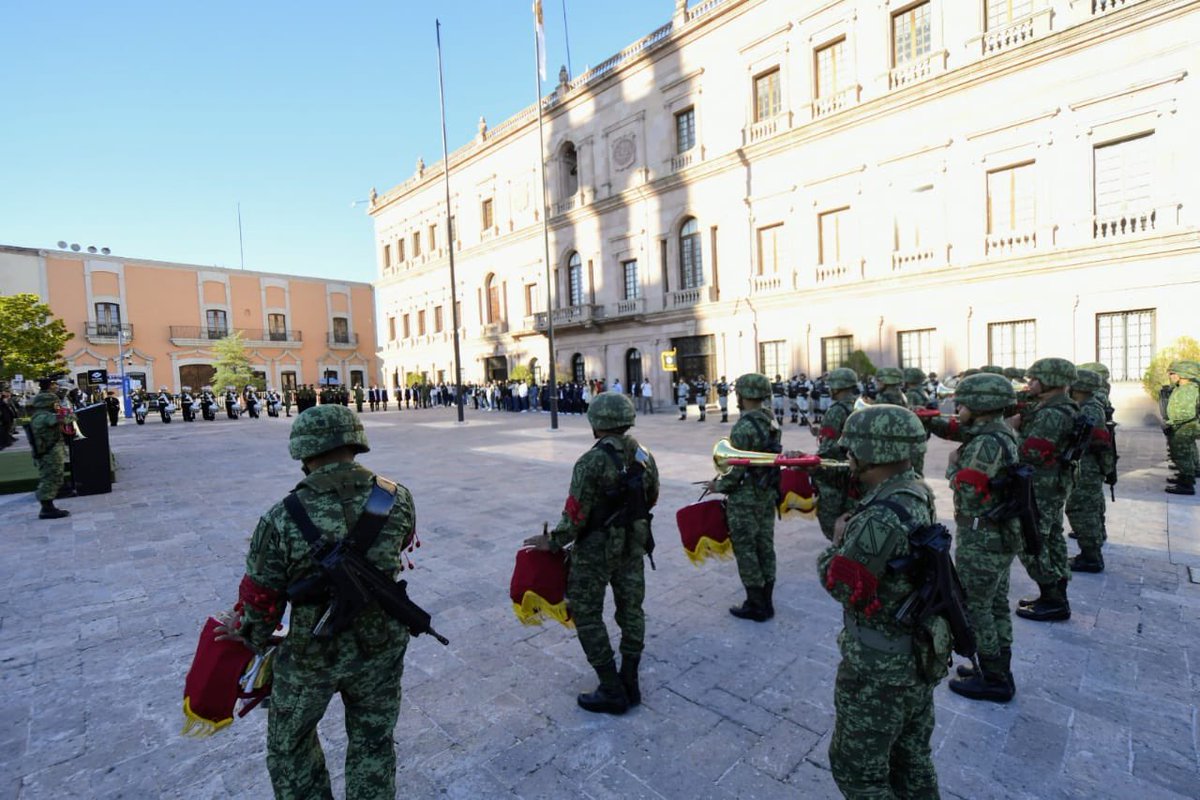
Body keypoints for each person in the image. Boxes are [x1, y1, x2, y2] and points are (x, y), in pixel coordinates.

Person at [214, 404, 420, 800]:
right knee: (373, 742)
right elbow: (400, 548)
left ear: (304, 452)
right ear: (356, 443)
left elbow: (261, 599)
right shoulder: (398, 498)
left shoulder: (280, 517)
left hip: (312, 655)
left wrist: (247, 634)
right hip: (380, 646)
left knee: (291, 746)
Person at [818, 404, 946, 798]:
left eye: (853, 448)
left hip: (879, 670)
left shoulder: (883, 517)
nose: (849, 456)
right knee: (912, 762)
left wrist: (837, 541)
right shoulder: (913, 488)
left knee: (858, 772)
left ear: (871, 452)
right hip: (912, 657)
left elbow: (841, 583)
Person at [523, 392, 659, 715]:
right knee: (631, 609)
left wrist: (552, 542)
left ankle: (611, 688)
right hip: (632, 544)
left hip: (595, 552)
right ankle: (630, 680)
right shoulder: (643, 455)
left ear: (595, 423)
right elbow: (651, 497)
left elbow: (574, 516)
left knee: (586, 612)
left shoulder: (590, 462)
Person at [928, 374, 1021, 703]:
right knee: (995, 606)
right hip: (995, 534)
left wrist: (952, 467)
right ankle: (995, 667)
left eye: (963, 402)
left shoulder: (985, 443)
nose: (958, 407)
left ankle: (995, 678)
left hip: (982, 537)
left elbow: (969, 490)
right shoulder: (999, 432)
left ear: (981, 405)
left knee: (976, 607)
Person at [1012, 358, 1079, 622]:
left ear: (1049, 381)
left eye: (1034, 379)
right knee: (1051, 538)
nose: (1029, 383)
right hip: (1050, 485)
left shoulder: (1052, 413)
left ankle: (1053, 598)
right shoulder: (1059, 407)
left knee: (1031, 539)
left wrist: (1013, 431)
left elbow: (1032, 452)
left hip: (1042, 486)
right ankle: (1054, 594)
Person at [710, 373, 780, 621]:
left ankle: (756, 604)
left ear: (743, 395)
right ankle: (767, 601)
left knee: (747, 549)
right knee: (765, 546)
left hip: (746, 497)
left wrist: (718, 485)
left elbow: (735, 468)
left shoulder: (744, 426)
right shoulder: (771, 421)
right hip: (766, 493)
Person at [1065, 369, 1111, 572]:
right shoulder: (1089, 405)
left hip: (1087, 467)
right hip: (1089, 466)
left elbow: (1084, 439)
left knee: (1081, 510)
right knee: (1091, 507)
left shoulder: (1089, 409)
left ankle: (1091, 557)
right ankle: (1094, 546)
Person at [812, 368, 860, 542]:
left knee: (835, 530)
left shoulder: (836, 410)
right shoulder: (858, 405)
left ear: (837, 388)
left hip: (837, 476)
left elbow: (829, 449)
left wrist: (810, 466)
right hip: (856, 472)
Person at [28, 381, 71, 519]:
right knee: (49, 478)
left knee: (54, 476)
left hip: (49, 451)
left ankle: (49, 504)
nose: (55, 405)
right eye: (54, 403)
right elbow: (67, 418)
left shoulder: (42, 414)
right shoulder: (43, 416)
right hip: (48, 452)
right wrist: (64, 410)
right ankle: (46, 508)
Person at [1164, 361, 1199, 495]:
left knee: (1181, 453)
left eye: (1173, 373)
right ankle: (1188, 475)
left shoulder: (1188, 389)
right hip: (1183, 425)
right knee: (1187, 451)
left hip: (1185, 426)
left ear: (1183, 374)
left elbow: (1188, 413)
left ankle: (1186, 484)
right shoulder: (1183, 387)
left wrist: (1171, 422)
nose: (1170, 375)